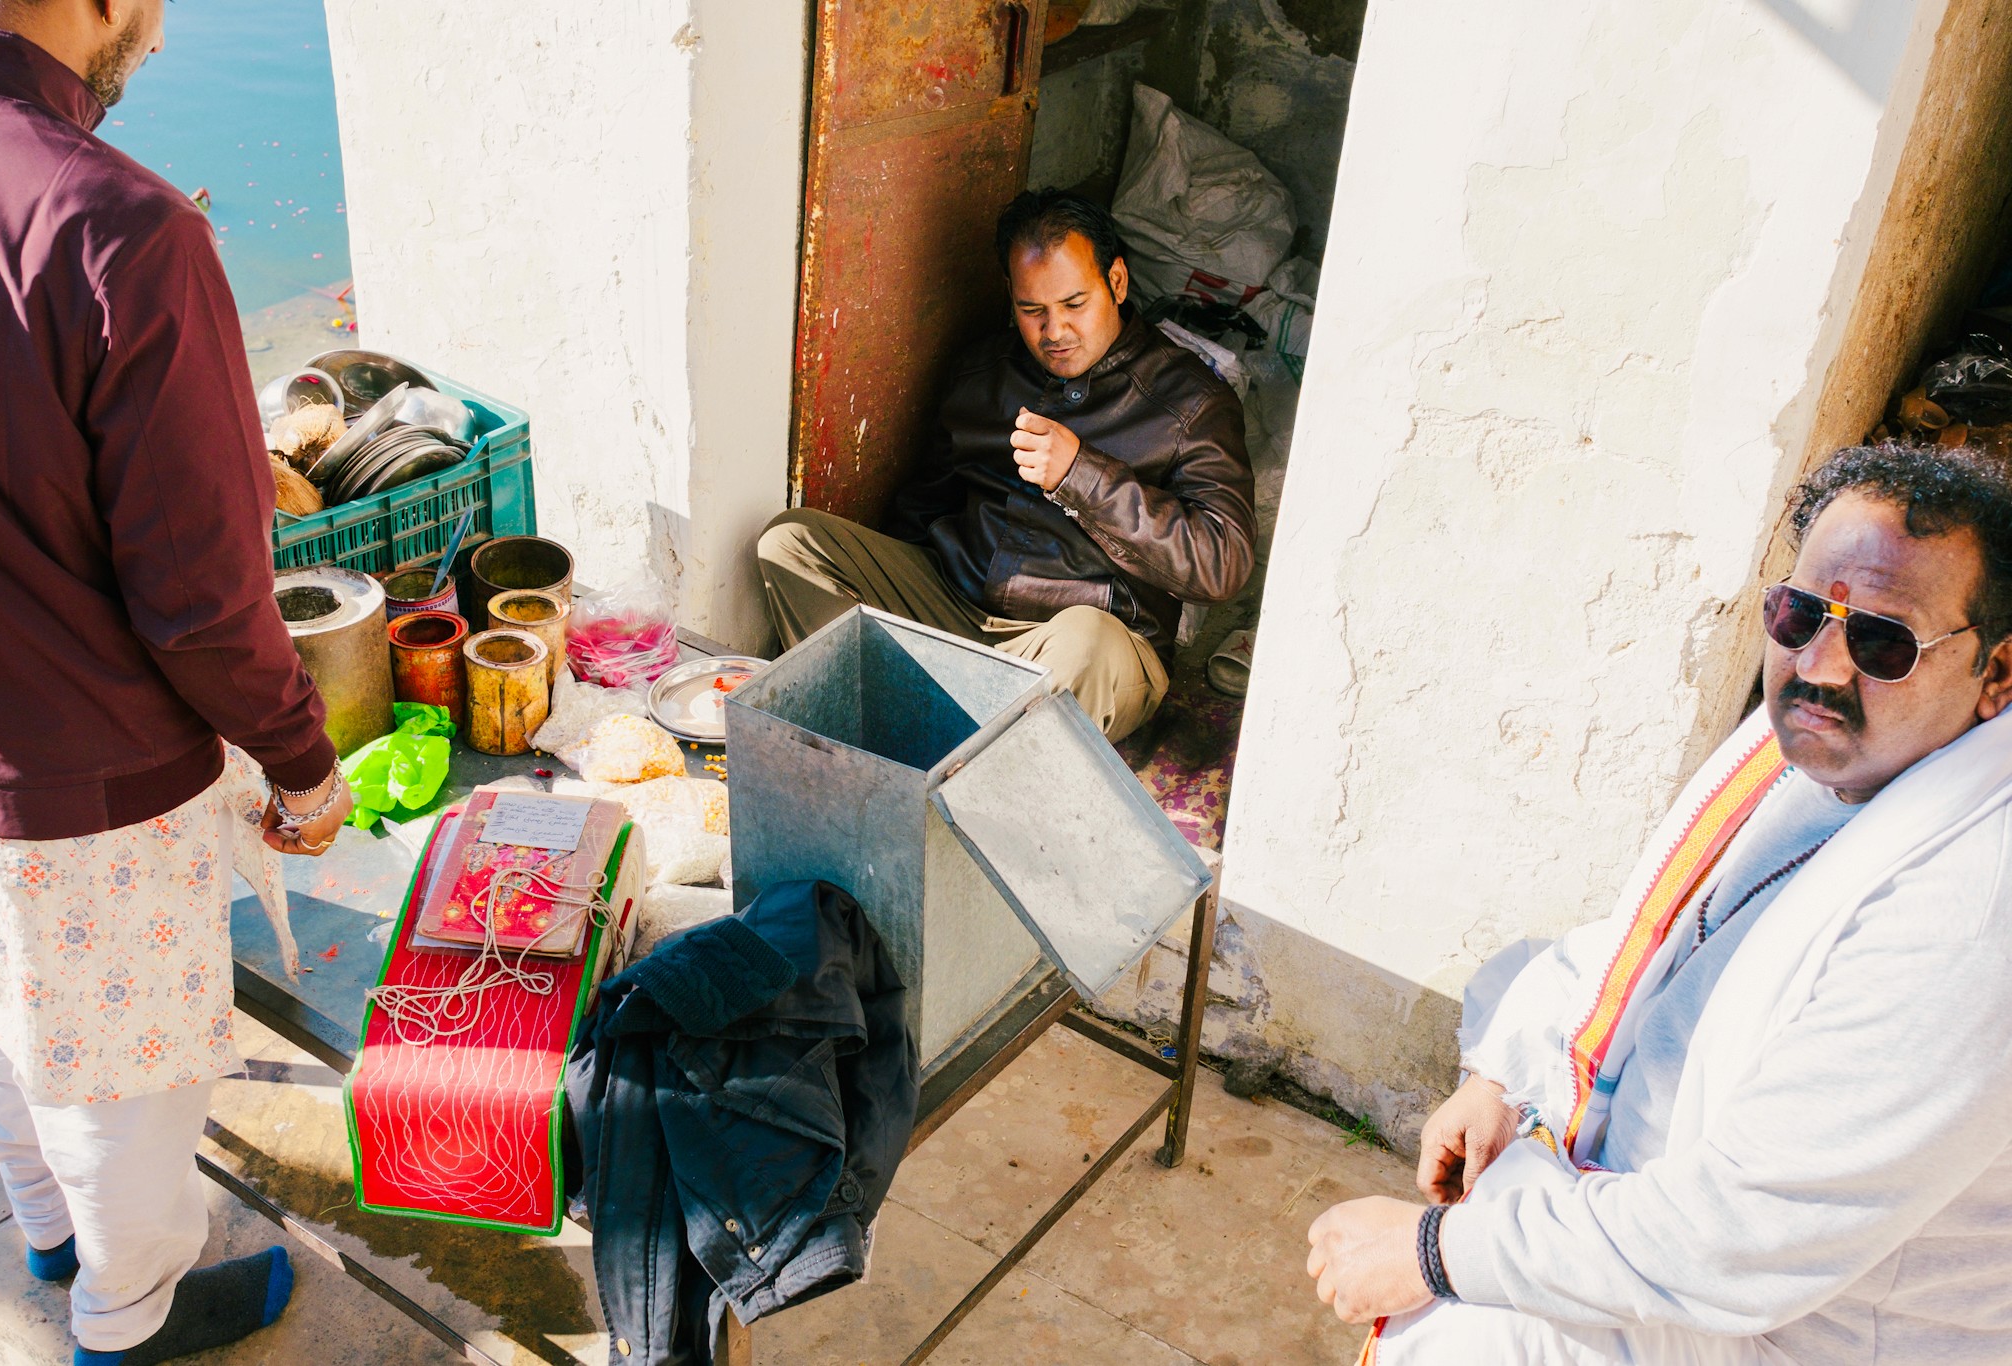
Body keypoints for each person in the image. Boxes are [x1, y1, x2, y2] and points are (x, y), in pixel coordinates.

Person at [1305, 444, 2012, 1365]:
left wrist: (1440, 1253)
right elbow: (1664, 946)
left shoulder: (1975, 913)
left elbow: (1746, 1232)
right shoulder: (1820, 748)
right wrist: (1507, 1079)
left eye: (1885, 640)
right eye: (1800, 614)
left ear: (1998, 674)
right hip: (1626, 1238)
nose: (1824, 666)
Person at [0, 3, 353, 1362]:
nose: (166, 34)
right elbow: (200, 604)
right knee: (121, 1090)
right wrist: (304, 762)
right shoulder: (125, 228)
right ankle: (119, 1324)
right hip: (91, 786)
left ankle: (49, 1239)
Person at [757, 189, 1257, 742]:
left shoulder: (1189, 403)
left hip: (1081, 641)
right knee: (791, 542)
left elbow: (1223, 563)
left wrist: (1080, 475)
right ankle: (897, 725)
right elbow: (924, 503)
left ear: (1116, 282)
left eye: (1074, 304)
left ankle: (934, 747)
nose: (1055, 332)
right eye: (1032, 310)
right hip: (958, 613)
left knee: (1085, 646)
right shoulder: (983, 371)